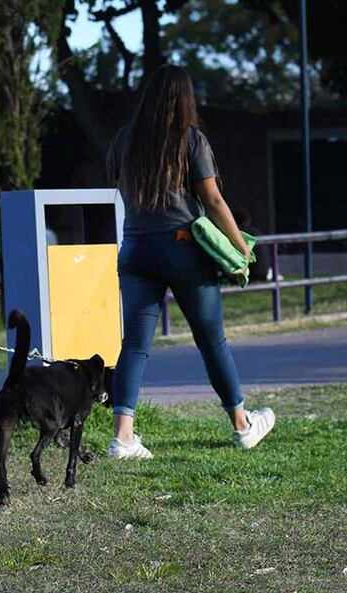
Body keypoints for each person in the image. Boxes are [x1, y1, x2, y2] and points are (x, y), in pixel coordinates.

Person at [105, 65, 275, 460]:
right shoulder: (189, 140)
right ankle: (242, 425)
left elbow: (120, 189)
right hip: (182, 248)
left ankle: (124, 437)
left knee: (134, 344)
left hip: (135, 250)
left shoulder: (121, 141)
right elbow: (213, 200)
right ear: (185, 100)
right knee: (211, 340)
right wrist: (242, 247)